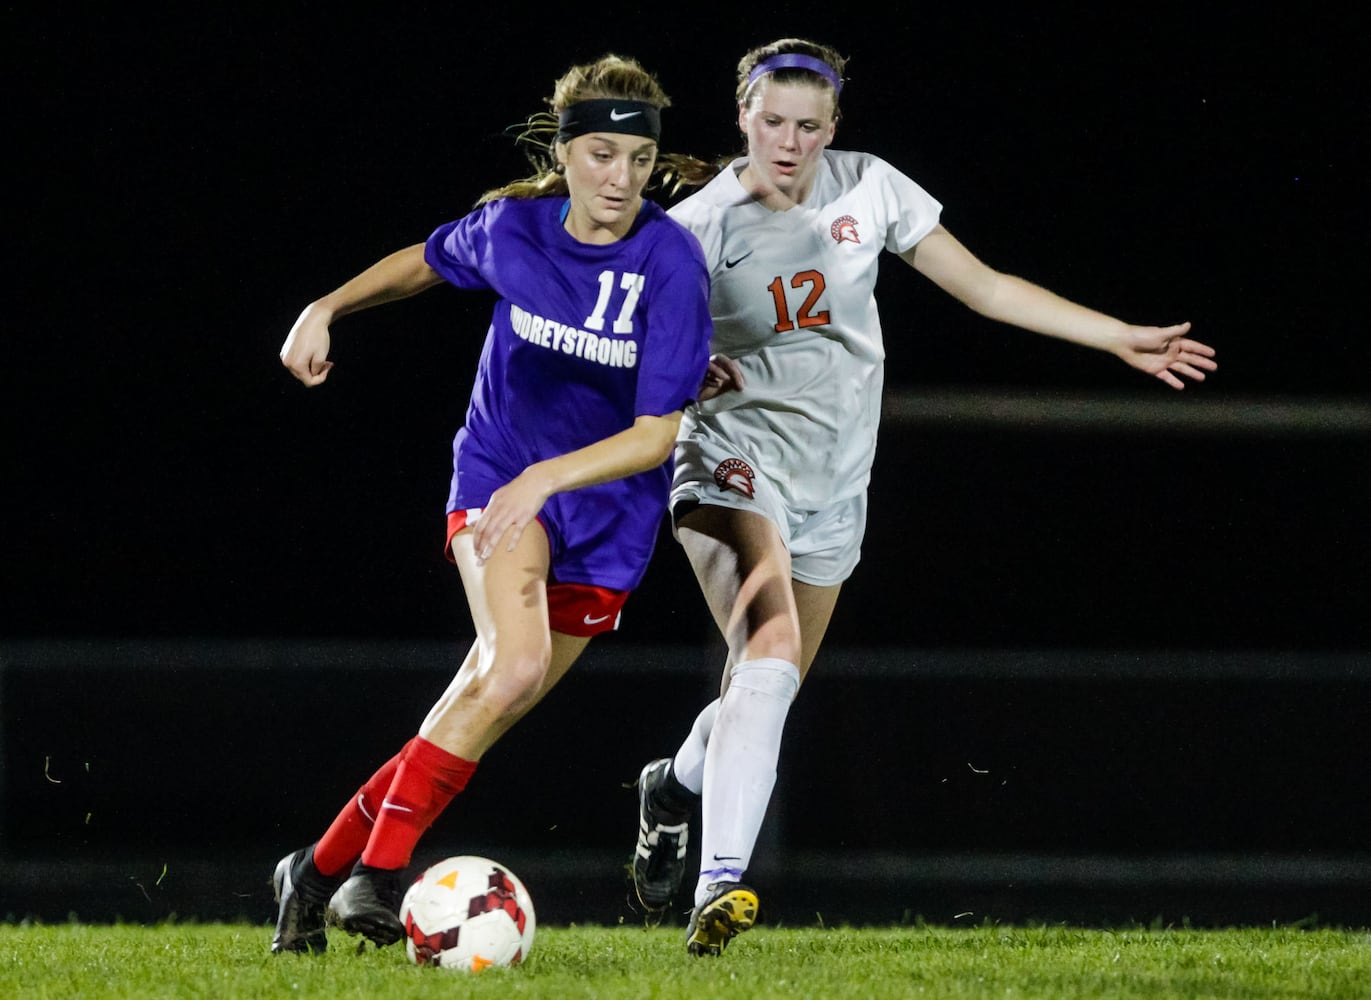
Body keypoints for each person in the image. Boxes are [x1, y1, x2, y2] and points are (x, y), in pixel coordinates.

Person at [628, 37, 1219, 956]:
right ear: (742, 115)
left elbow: (982, 287)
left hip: (835, 478)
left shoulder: (869, 186)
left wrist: (1114, 336)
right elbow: (625, 339)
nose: (789, 143)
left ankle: (672, 788)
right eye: (773, 122)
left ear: (834, 128)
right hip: (731, 463)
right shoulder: (698, 226)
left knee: (767, 683)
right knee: (771, 648)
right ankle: (721, 885)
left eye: (809, 127)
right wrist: (670, 366)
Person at [269, 53, 714, 955]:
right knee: (509, 670)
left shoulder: (669, 260)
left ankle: (311, 874)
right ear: (566, 152)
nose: (618, 179)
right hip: (499, 480)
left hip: (605, 519)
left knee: (480, 704)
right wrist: (324, 306)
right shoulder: (514, 230)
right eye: (598, 156)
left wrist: (554, 477)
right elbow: (424, 263)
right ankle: (378, 876)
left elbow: (657, 434)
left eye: (635, 161)